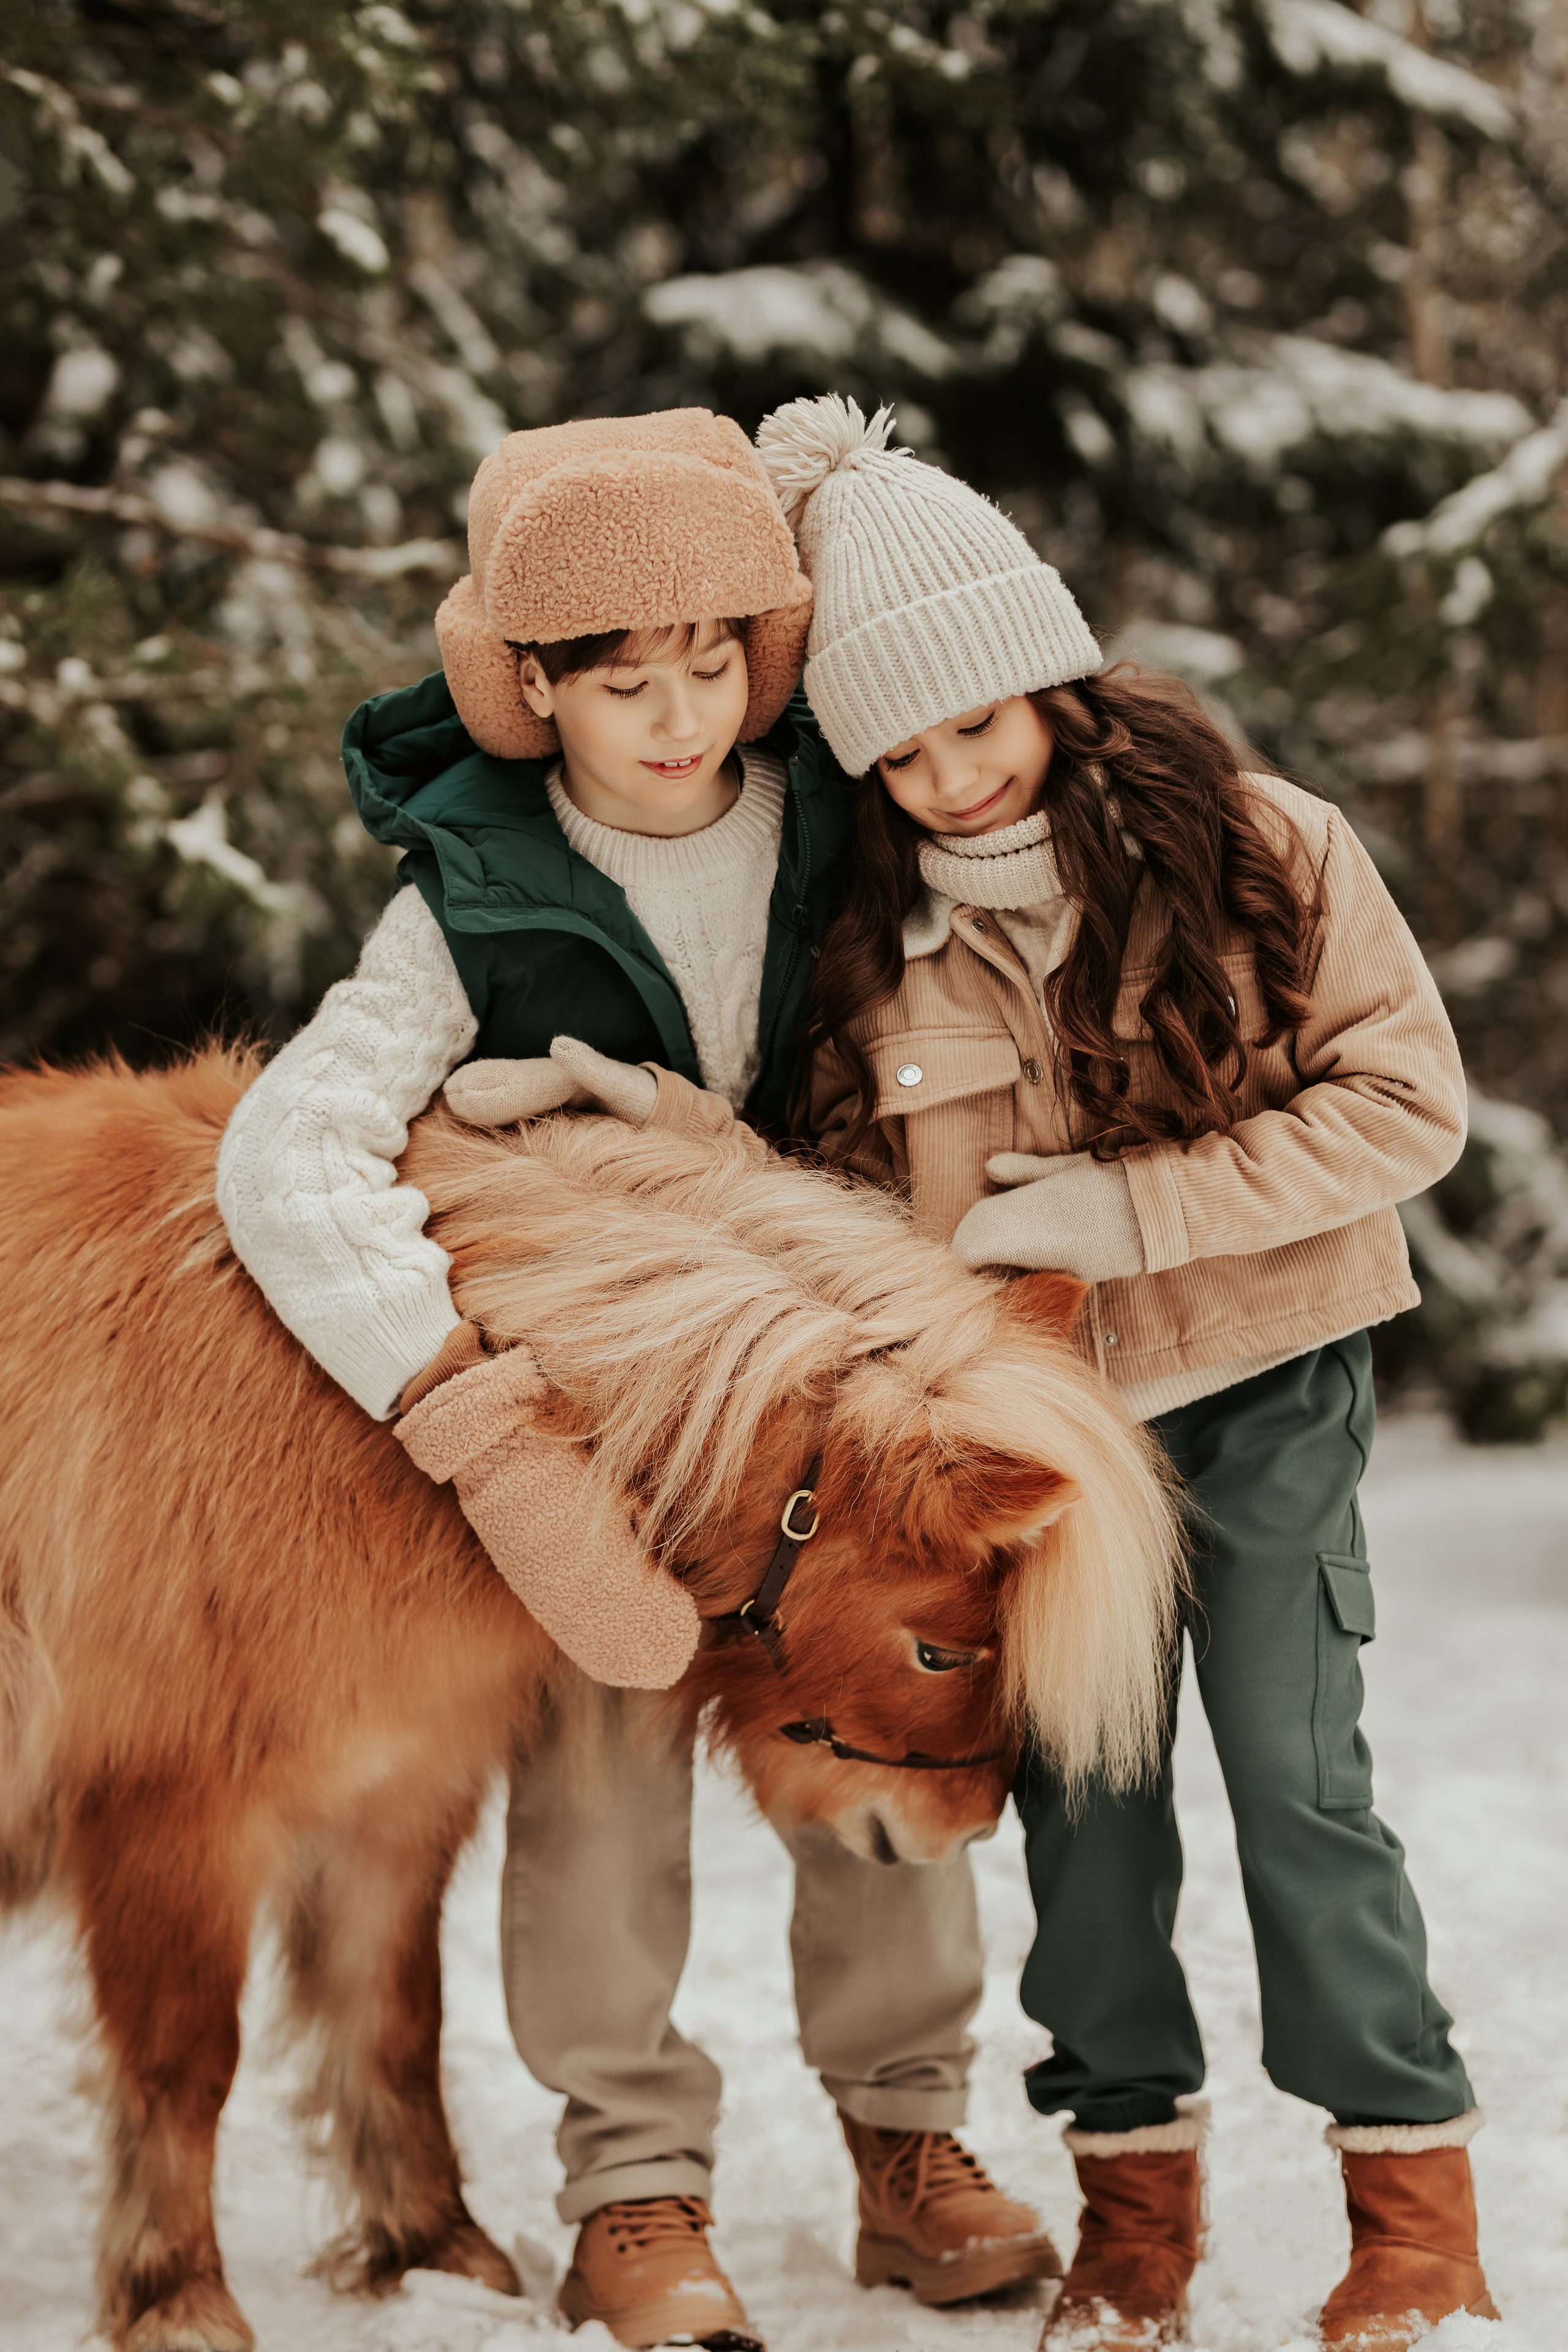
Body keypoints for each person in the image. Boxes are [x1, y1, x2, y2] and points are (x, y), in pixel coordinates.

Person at [216, 408, 1057, 2351]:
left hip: (848, 1416)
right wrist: (480, 1434)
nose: (673, 718)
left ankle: (909, 2144)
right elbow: (287, 1151)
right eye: (620, 681)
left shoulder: (847, 829)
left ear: (759, 662)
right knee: (597, 1789)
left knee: (883, 1743)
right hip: (606, 1442)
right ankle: (633, 2185)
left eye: (705, 668)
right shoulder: (468, 898)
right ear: (534, 688)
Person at [756, 392, 1496, 2352]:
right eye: (897, 755)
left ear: (1054, 682)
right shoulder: (872, 949)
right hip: (1041, 1435)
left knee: (1296, 1779)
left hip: (1267, 1376)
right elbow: (837, 1207)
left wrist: (1131, 1214)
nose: (949, 780)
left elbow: (1411, 1108)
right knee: (1088, 1805)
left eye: (975, 724)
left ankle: (1412, 2205)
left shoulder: (1271, 849)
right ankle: (1136, 2220)